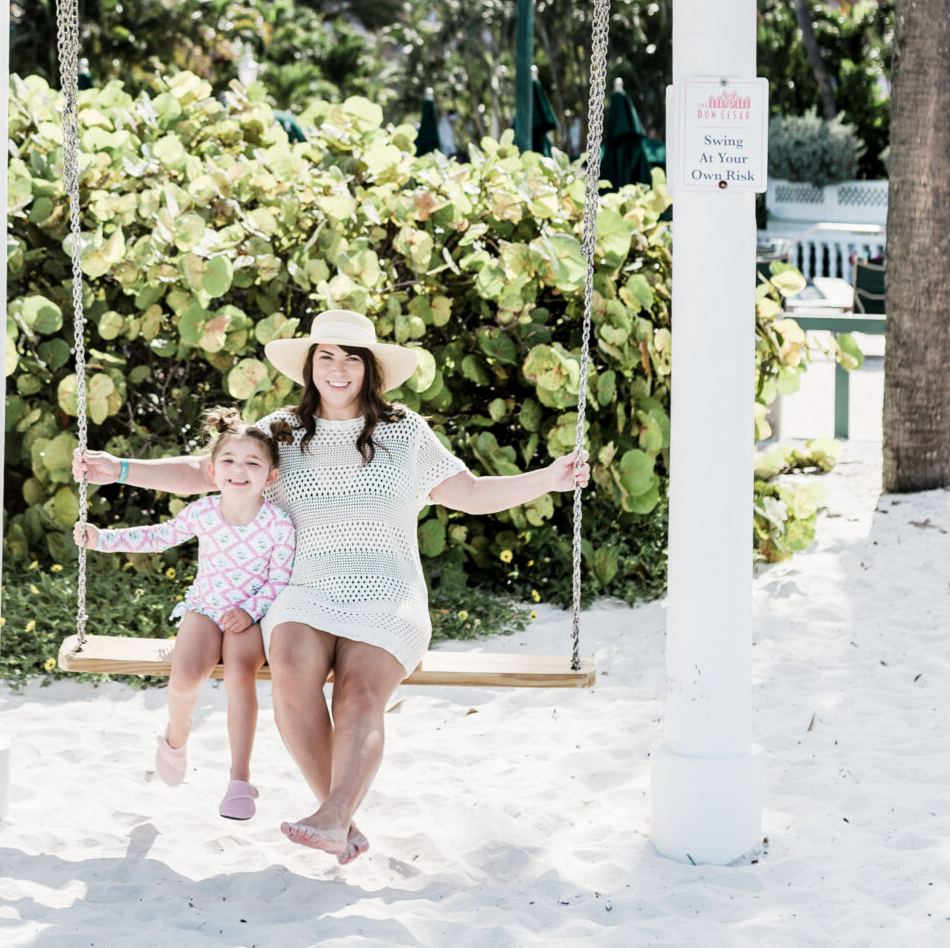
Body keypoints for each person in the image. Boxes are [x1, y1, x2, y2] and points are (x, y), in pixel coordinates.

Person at [81, 310, 589, 866]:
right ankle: (337, 817)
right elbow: (209, 472)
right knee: (293, 675)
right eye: (326, 356)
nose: (338, 369)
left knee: (359, 694)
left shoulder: (404, 432)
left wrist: (551, 478)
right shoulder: (280, 432)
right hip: (302, 590)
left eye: (352, 358)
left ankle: (334, 816)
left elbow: (468, 491)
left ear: (370, 369)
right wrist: (121, 468)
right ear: (309, 366)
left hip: (387, 593)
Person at [73, 418, 294, 820]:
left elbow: (280, 578)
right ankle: (176, 736)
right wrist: (101, 540)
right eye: (228, 460)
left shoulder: (279, 524)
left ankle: (239, 778)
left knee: (239, 676)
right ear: (212, 471)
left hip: (250, 615)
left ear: (272, 475)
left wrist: (250, 611)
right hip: (206, 607)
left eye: (252, 463)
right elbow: (159, 537)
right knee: (185, 677)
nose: (239, 471)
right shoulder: (204, 512)